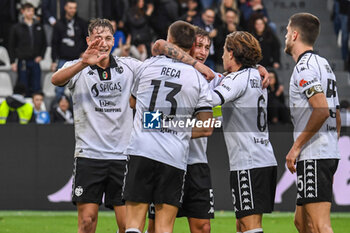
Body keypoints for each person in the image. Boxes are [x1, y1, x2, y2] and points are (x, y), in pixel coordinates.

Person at [51, 18, 214, 233]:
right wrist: (83, 61)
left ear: (114, 41)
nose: (103, 43)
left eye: (109, 38)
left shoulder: (133, 66)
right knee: (88, 221)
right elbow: (55, 80)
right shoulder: (80, 67)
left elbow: (210, 124)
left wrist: (250, 68)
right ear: (88, 40)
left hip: (126, 154)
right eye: (98, 38)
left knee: (129, 225)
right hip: (91, 154)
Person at [123, 21, 214, 233]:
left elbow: (132, 103)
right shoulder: (198, 79)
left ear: (169, 39)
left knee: (134, 225)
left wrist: (157, 121)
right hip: (173, 156)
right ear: (192, 46)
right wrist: (174, 126)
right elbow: (207, 126)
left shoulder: (147, 65)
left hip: (141, 150)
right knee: (164, 228)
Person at [146, 27, 223, 233]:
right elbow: (149, 120)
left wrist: (257, 67)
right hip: (165, 158)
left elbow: (211, 125)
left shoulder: (213, 79)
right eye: (199, 46)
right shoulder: (164, 71)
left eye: (207, 47)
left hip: (196, 162)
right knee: (156, 227)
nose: (203, 52)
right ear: (186, 47)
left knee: (203, 227)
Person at [211, 31, 277, 233]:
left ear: (231, 53)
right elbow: (221, 112)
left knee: (250, 226)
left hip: (248, 162)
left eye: (223, 50)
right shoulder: (256, 76)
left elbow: (211, 99)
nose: (222, 55)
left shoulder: (237, 79)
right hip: (263, 158)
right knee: (242, 224)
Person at [284, 13, 341, 233]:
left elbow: (322, 109)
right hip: (324, 152)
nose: (286, 35)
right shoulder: (324, 64)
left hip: (314, 154)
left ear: (295, 34)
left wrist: (295, 148)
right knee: (302, 223)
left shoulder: (303, 68)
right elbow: (335, 112)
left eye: (288, 31)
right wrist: (332, 149)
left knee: (319, 226)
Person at [51, 0, 88, 101]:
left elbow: (87, 40)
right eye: (70, 8)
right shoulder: (58, 24)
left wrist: (84, 52)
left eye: (74, 8)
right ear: (66, 8)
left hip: (78, 60)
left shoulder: (82, 23)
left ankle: (76, 113)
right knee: (59, 89)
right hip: (63, 60)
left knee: (79, 88)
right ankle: (56, 112)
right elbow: (54, 43)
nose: (73, 10)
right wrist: (54, 60)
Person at [8, 3, 47, 97]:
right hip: (23, 61)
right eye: (28, 11)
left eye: (32, 11)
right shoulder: (16, 27)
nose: (31, 13)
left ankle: (35, 109)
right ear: (23, 11)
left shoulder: (39, 26)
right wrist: (12, 61)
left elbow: (44, 43)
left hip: (35, 61)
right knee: (23, 86)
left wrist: (41, 55)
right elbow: (11, 45)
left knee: (36, 87)